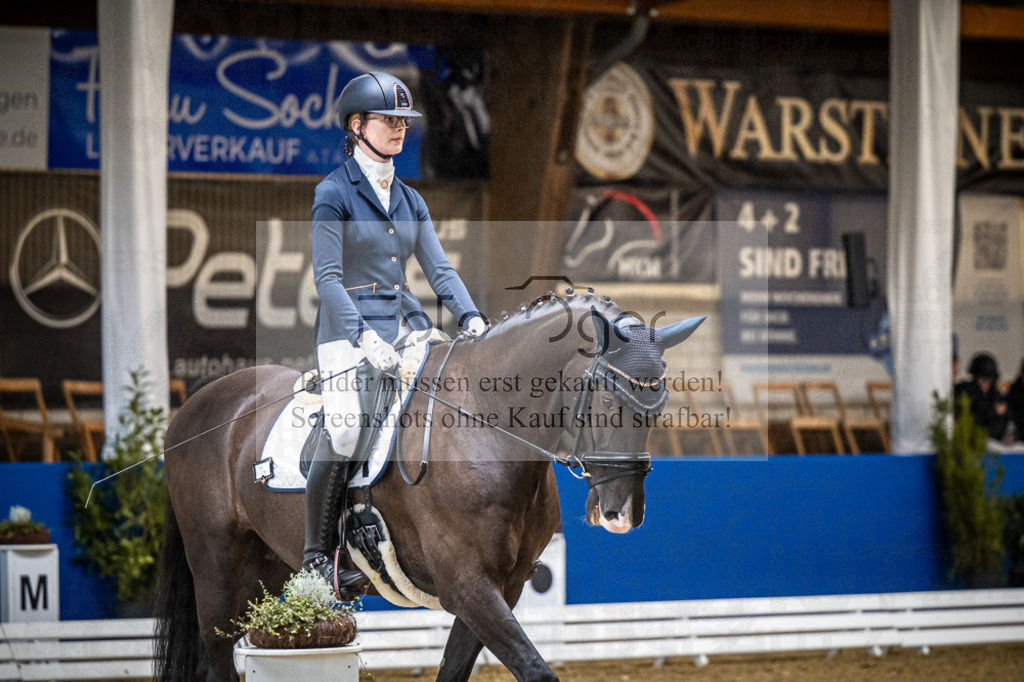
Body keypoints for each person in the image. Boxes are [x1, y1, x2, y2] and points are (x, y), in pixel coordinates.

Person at [306, 72, 487, 595]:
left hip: (405, 330)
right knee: (344, 428)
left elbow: (440, 271)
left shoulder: (409, 199)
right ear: (357, 126)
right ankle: (317, 556)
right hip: (346, 337)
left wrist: (471, 318)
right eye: (389, 120)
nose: (400, 129)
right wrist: (363, 338)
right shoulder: (333, 193)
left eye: (405, 121)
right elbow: (328, 279)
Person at [953, 352, 1009, 442]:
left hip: (991, 441)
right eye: (982, 379)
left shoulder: (996, 396)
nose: (985, 383)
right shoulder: (963, 392)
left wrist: (998, 416)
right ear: (975, 377)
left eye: (988, 379)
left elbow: (1001, 427)